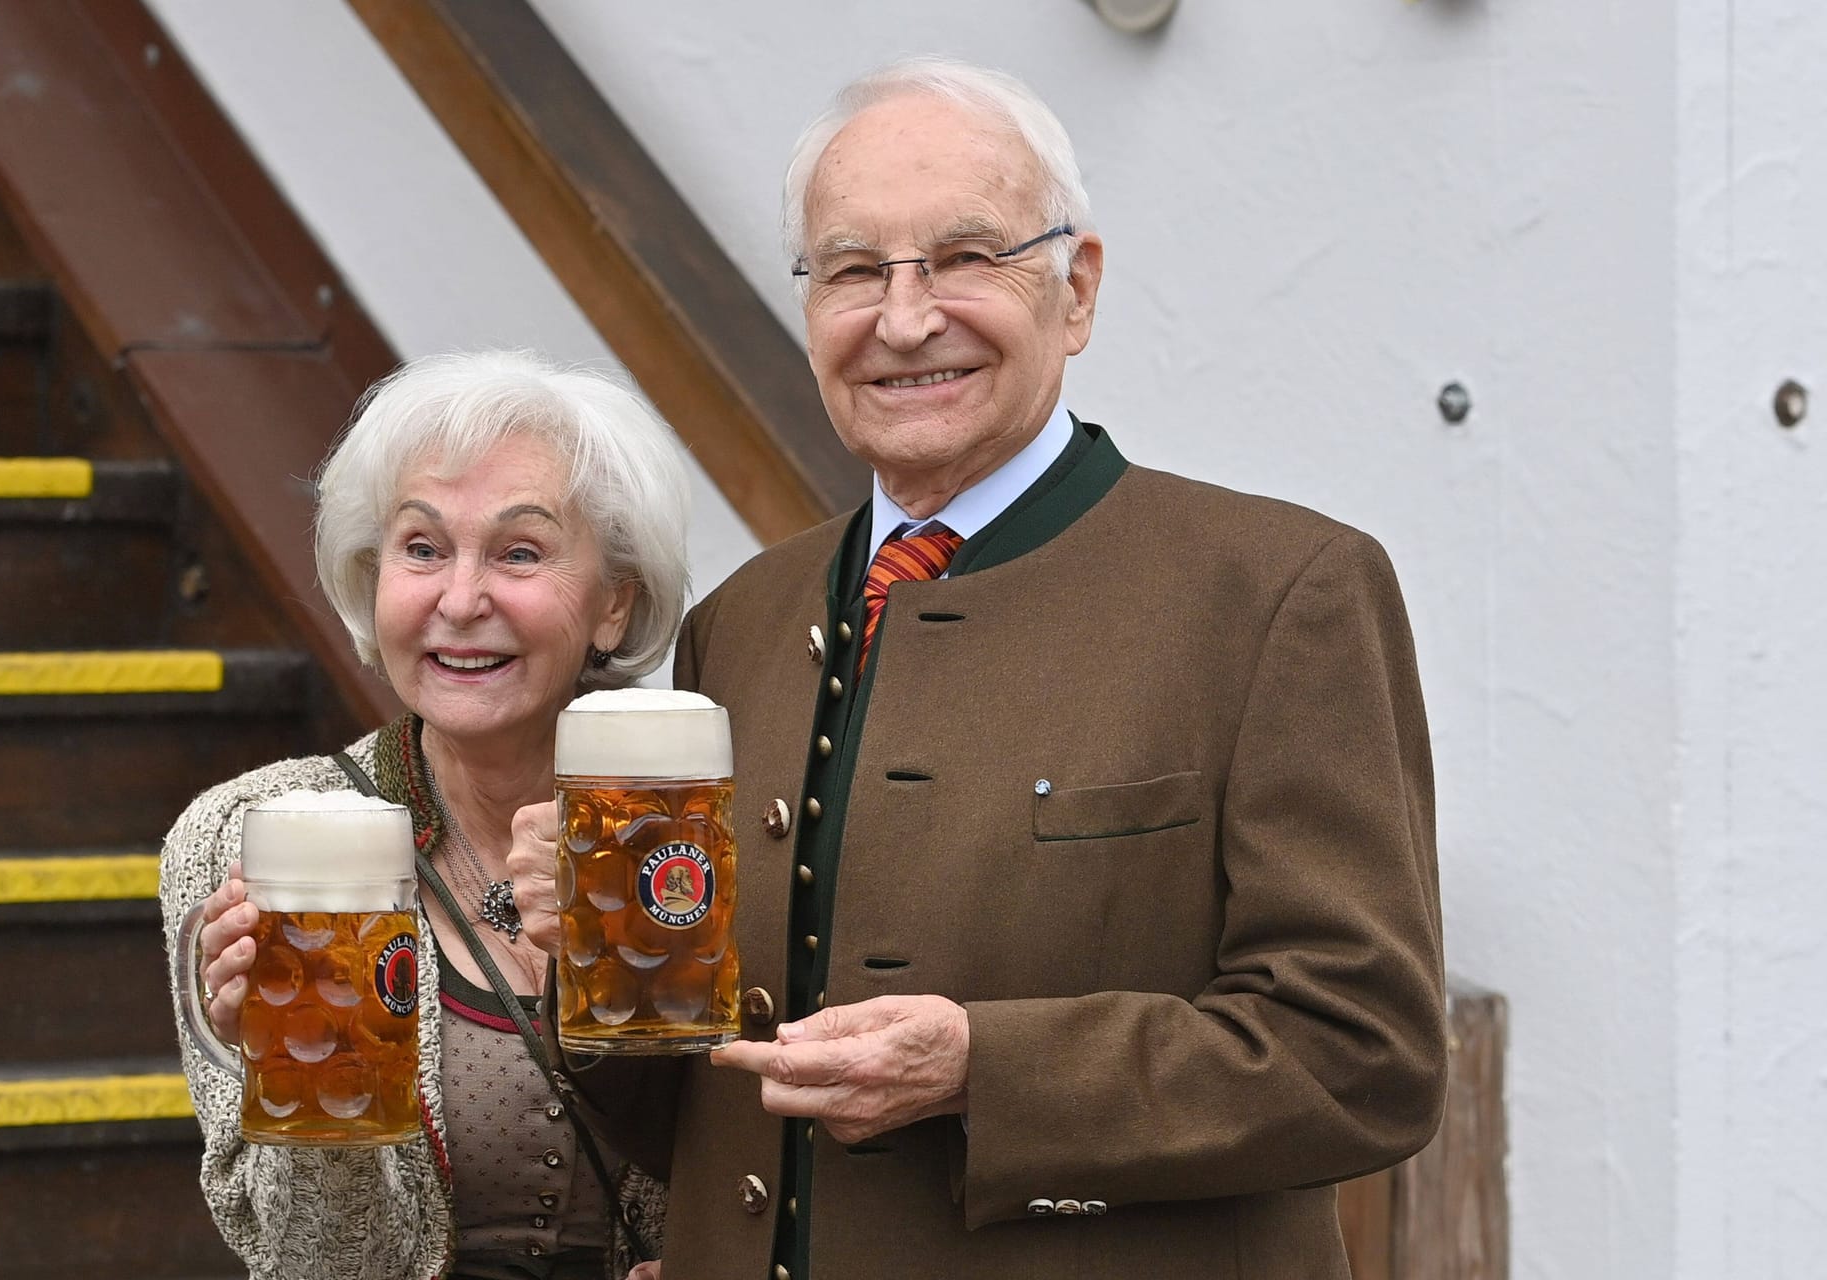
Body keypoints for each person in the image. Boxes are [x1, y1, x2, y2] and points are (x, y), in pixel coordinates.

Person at [512, 57, 1447, 1279]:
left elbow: (1364, 1054)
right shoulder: (744, 617)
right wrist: (595, 961)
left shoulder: (1279, 590)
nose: (903, 319)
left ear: (1078, 288)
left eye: (964, 257)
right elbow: (700, 1127)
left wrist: (980, 1065)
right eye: (853, 270)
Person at [160, 350, 690, 1280]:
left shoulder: (684, 823)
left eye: (520, 552)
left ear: (615, 603)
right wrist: (317, 1077)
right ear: (372, 579)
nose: (458, 599)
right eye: (421, 548)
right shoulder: (249, 833)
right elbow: (320, 1263)